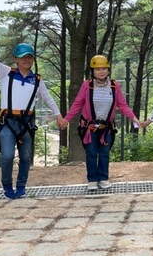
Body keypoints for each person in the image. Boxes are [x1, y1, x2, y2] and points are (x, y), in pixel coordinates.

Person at [0, 25, 64, 200]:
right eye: (23, 57)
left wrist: (58, 115)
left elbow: (48, 98)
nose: (27, 60)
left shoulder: (37, 80)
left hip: (26, 124)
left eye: (30, 57)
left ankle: (21, 186)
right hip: (8, 122)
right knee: (7, 155)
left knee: (25, 156)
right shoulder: (6, 73)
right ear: (16, 59)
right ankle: (7, 185)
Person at [58, 55, 142, 191]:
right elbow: (77, 104)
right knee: (91, 152)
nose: (101, 71)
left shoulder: (114, 86)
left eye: (104, 68)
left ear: (108, 70)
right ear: (92, 71)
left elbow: (123, 105)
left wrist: (134, 118)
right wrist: (66, 119)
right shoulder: (87, 85)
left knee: (104, 153)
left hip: (107, 127)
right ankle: (92, 179)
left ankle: (103, 177)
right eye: (97, 69)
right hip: (89, 126)